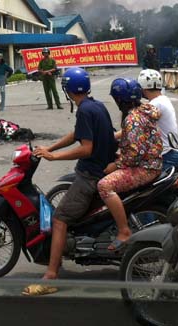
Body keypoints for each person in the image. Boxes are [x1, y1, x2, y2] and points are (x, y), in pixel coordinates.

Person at [24, 68, 116, 296]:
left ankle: (51, 275)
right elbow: (77, 134)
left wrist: (54, 157)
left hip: (90, 175)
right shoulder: (96, 106)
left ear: (68, 90)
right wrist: (50, 148)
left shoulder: (85, 110)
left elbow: (86, 148)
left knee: (59, 219)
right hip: (102, 169)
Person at [98, 78, 162, 251]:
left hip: (145, 167)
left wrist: (116, 164)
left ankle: (124, 230)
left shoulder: (132, 119)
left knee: (104, 186)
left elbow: (134, 154)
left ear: (119, 100)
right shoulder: (144, 110)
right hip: (152, 161)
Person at [138, 69, 178, 171]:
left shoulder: (154, 105)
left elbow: (134, 126)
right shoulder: (163, 99)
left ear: (143, 88)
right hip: (174, 154)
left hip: (167, 156)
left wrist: (112, 136)